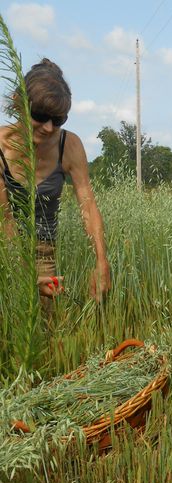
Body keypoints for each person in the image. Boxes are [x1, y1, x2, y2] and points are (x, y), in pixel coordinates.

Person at [0, 58, 111, 304]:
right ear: (19, 104)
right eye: (40, 116)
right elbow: (4, 219)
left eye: (59, 119)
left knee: (45, 331)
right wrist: (24, 276)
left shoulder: (69, 145)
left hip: (43, 253)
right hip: (4, 248)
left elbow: (88, 206)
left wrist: (101, 262)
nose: (49, 127)